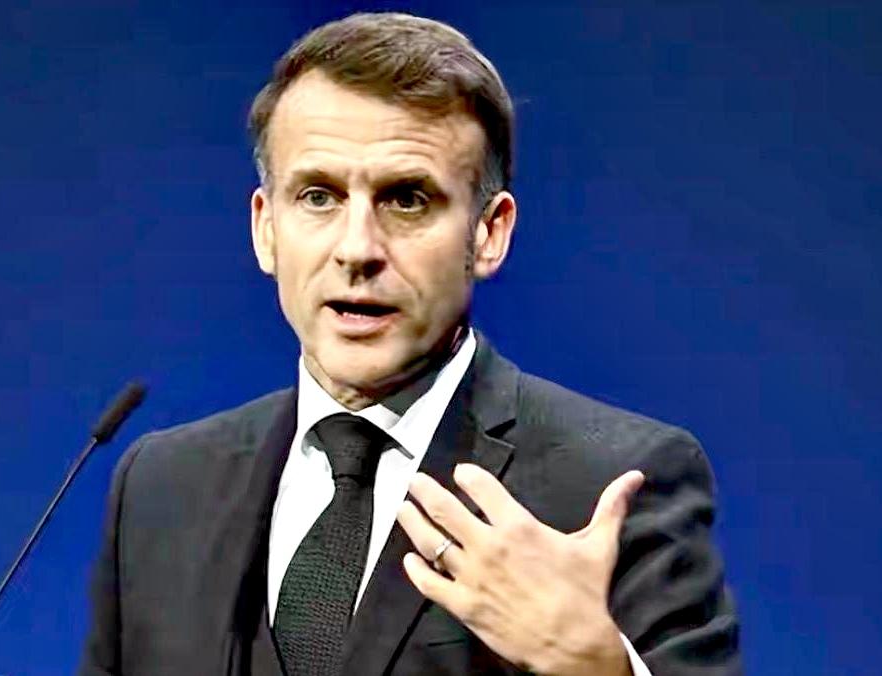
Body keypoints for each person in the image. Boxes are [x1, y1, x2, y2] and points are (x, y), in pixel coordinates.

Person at [79, 12, 740, 676]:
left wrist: (595, 666)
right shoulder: (160, 485)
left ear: (488, 232)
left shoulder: (613, 482)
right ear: (265, 229)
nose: (357, 249)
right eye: (318, 196)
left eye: (407, 200)